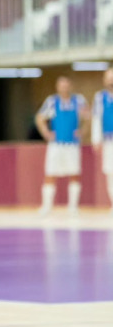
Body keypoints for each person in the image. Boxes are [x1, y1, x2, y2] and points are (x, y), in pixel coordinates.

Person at [35, 76, 88, 216]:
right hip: (56, 144)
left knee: (74, 173)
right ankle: (47, 206)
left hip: (72, 144)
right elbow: (40, 117)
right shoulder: (52, 101)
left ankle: (73, 207)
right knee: (50, 173)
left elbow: (88, 117)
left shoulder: (79, 100)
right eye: (61, 85)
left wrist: (83, 130)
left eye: (66, 85)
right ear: (57, 87)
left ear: (70, 86)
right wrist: (45, 132)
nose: (64, 87)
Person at [91, 68, 113, 214]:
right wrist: (96, 139)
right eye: (109, 78)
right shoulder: (100, 97)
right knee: (111, 172)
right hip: (109, 140)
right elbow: (96, 118)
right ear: (105, 80)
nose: (111, 81)